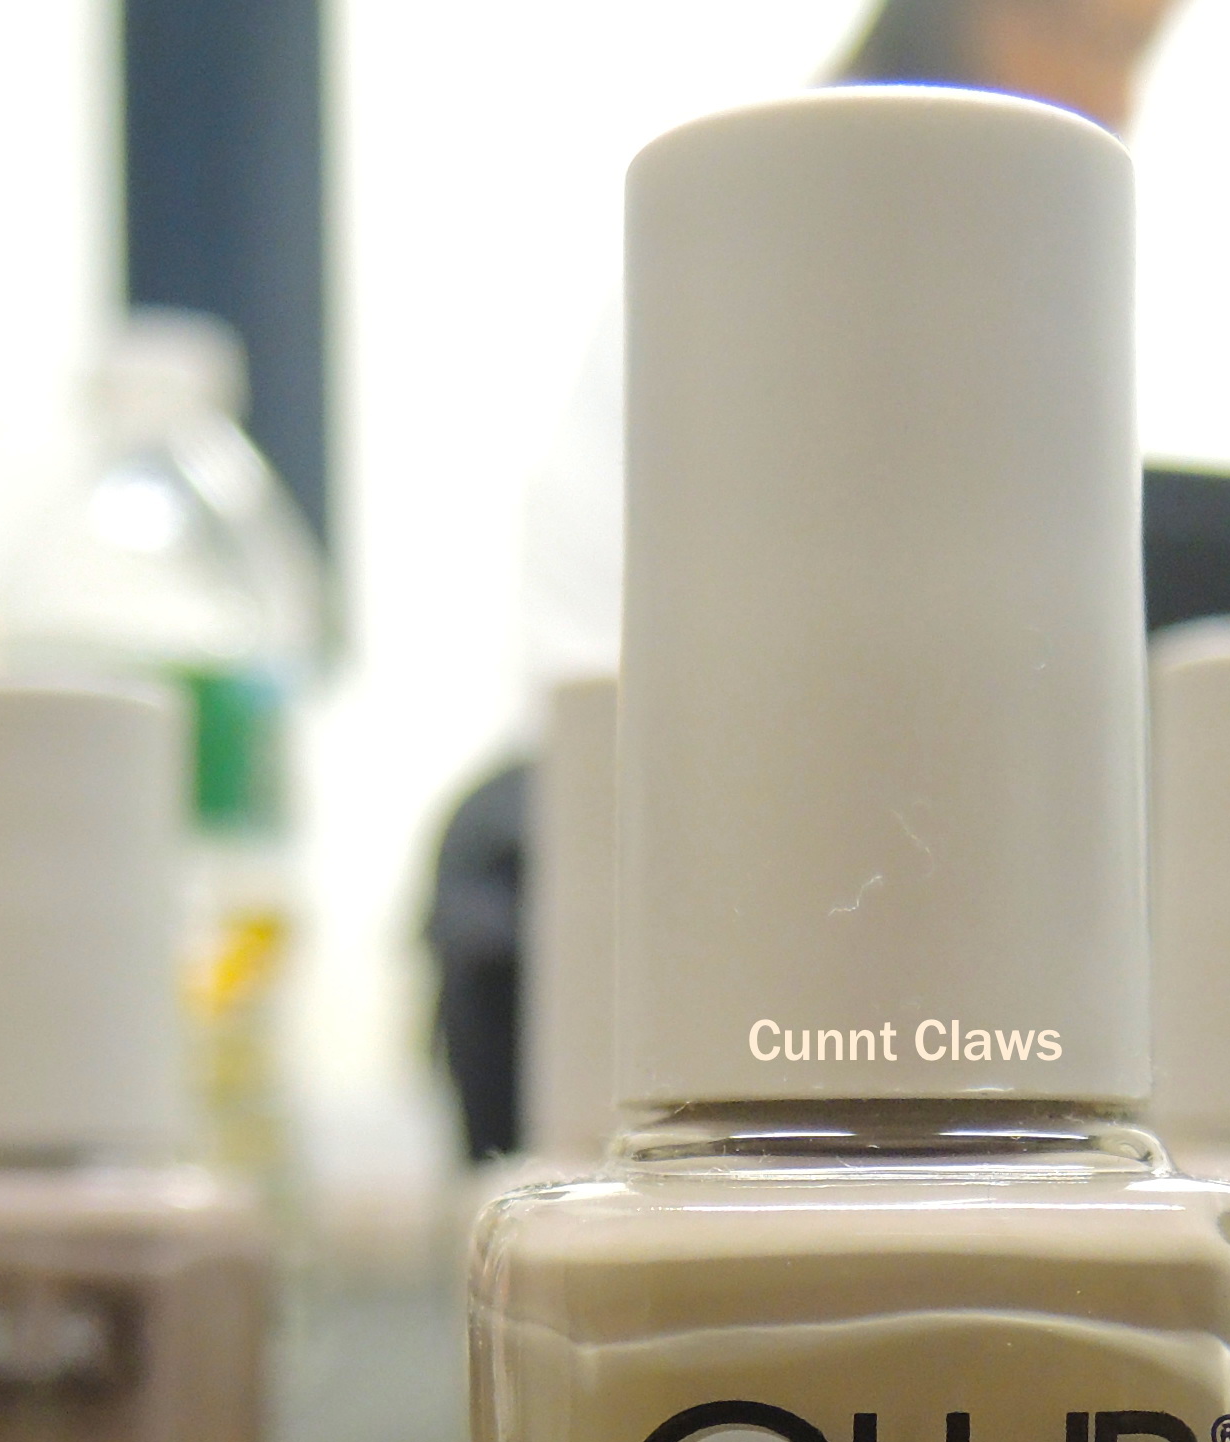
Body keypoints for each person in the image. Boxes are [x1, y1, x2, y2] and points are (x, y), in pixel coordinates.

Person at [442, 0, 1190, 1156]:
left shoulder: (1062, 315)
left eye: (1137, 56)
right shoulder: (731, 271)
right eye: (1083, 38)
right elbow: (592, 718)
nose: (1116, 95)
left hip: (1025, 996)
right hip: (706, 939)